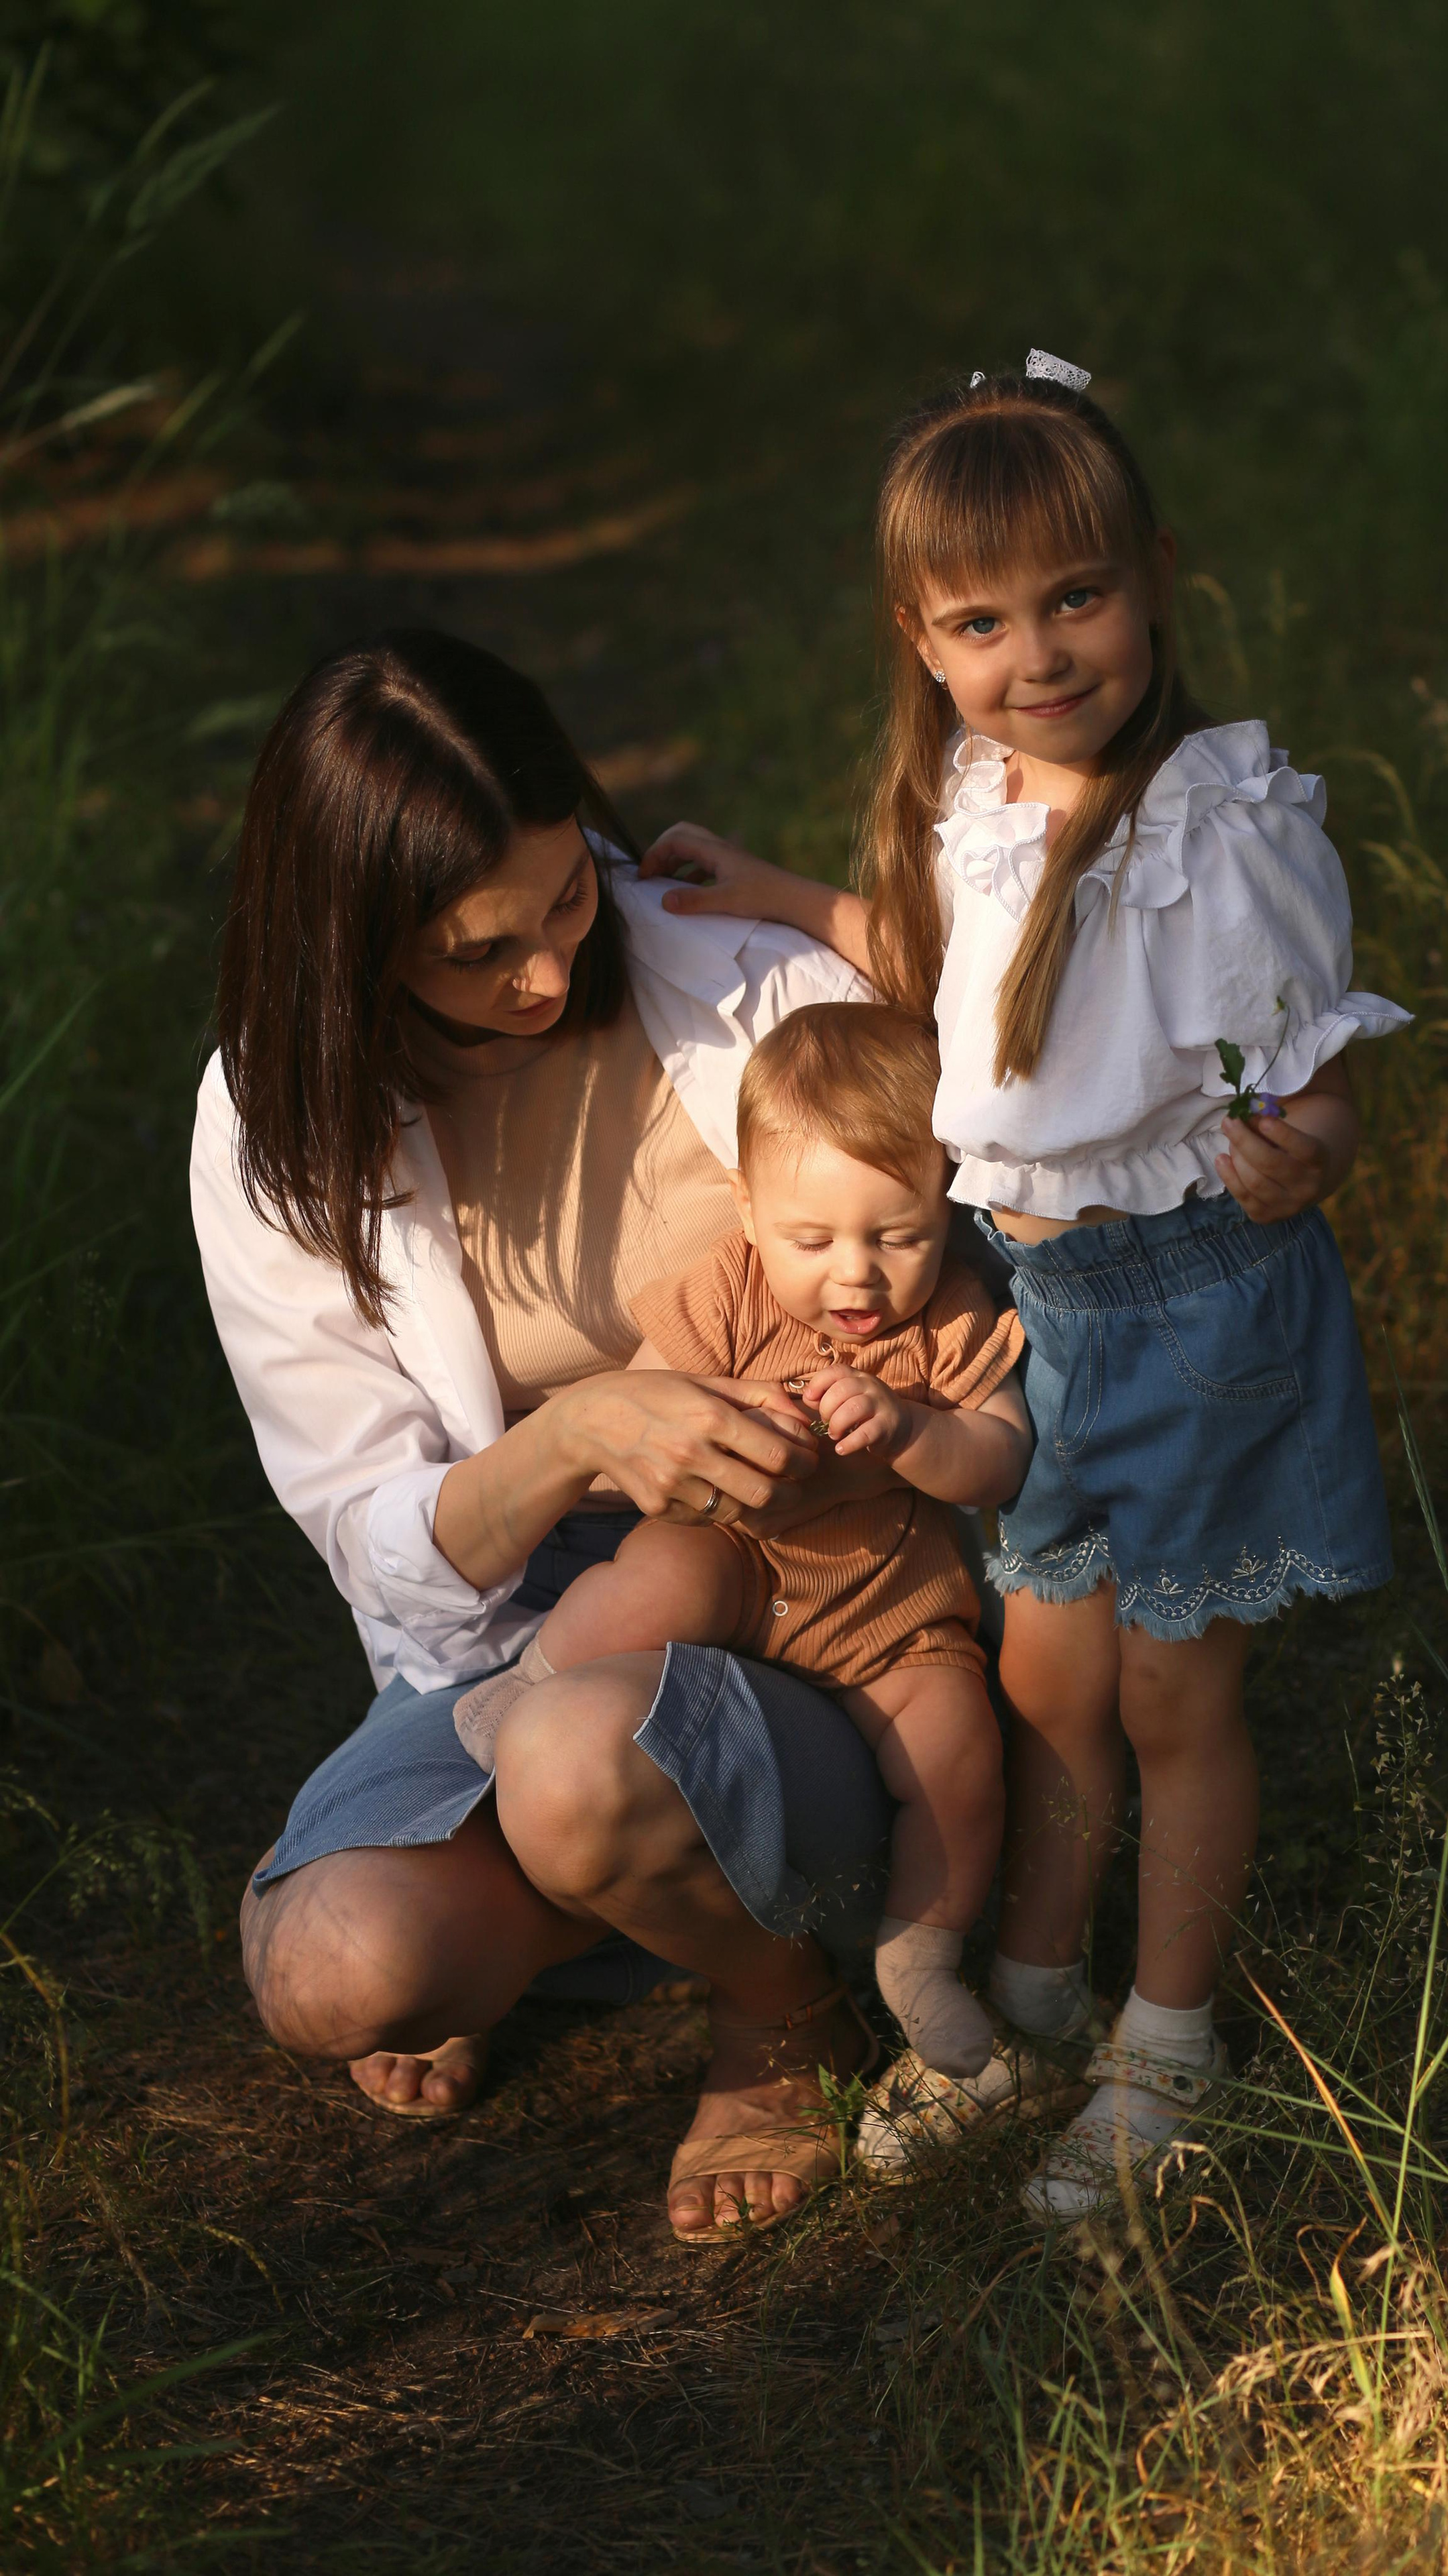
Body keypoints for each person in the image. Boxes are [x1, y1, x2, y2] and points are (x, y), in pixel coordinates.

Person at [636, 352, 1411, 2220]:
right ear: (922, 636)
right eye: (983, 621)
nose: (1041, 653)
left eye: (1078, 598)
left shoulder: (1217, 819)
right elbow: (943, 969)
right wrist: (779, 895)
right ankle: (1038, 1998)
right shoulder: (980, 791)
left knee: (1169, 1701)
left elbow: (1316, 1064)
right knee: (1050, 1669)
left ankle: (1170, 2043)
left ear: (1155, 575)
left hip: (1206, 1303)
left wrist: (1311, 1144)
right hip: (1055, 1314)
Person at [192, 627, 913, 2245]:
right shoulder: (272, 1119)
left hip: (798, 1586)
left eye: (564, 900)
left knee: (573, 1759)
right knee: (337, 1971)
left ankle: (773, 2000)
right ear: (351, 949)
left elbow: (966, 1230)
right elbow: (373, 1535)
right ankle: (612, 1884)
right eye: (472, 952)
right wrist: (574, 1435)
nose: (539, 972)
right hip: (510, 1626)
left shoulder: (745, 986)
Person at [454, 1000, 1032, 2086]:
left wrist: (914, 1430)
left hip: (885, 1613)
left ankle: (922, 1955)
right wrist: (711, 1403)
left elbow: (1000, 1456)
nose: (855, 1276)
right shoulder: (725, 1286)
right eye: (813, 1241)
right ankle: (522, 1690)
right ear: (750, 1211)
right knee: (661, 1576)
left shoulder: (949, 1311)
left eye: (896, 1234)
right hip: (739, 1567)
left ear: (942, 1207)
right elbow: (631, 1402)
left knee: (959, 1749)